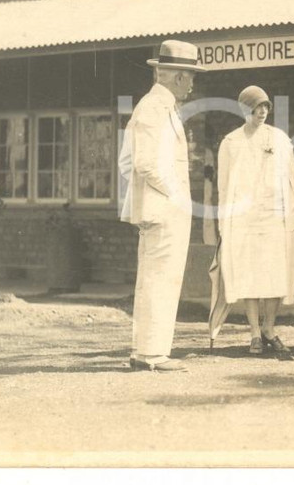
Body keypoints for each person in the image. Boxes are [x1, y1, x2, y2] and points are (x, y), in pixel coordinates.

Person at [118, 39, 206, 372]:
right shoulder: (154, 108)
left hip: (160, 208)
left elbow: (128, 162)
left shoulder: (158, 107)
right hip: (164, 210)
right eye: (189, 75)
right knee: (159, 280)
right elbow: (142, 163)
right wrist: (172, 196)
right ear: (175, 76)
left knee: (157, 279)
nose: (192, 83)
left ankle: (146, 350)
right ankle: (151, 353)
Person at [212, 85, 294, 356]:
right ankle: (253, 332)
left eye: (265, 107)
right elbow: (224, 185)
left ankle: (269, 329)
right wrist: (225, 220)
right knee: (250, 277)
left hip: (275, 216)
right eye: (256, 107)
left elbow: (292, 179)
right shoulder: (231, 142)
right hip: (245, 219)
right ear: (244, 110)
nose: (262, 112)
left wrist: (292, 214)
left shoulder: (279, 138)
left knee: (275, 276)